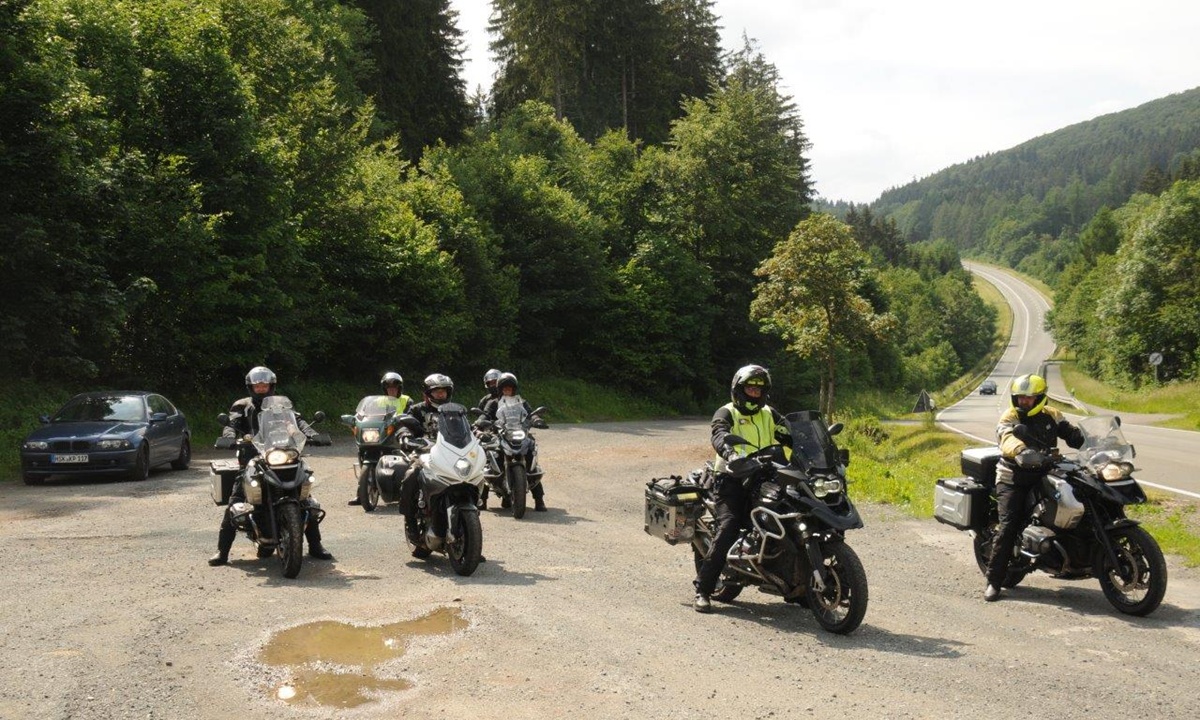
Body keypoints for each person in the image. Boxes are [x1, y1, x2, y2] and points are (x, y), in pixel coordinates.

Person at [208, 366, 334, 566]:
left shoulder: (281, 406)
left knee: (304, 497)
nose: (261, 388)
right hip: (253, 455)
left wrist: (312, 435)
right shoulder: (242, 405)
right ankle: (222, 552)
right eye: (257, 385)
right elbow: (231, 424)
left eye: (264, 385)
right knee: (236, 499)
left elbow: (298, 423)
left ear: (271, 385)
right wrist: (229, 437)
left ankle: (315, 545)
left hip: (282, 453)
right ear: (251, 387)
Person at [693, 364, 791, 613]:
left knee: (793, 516)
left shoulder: (769, 413)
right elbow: (719, 434)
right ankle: (703, 589)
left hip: (766, 477)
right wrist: (730, 452)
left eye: (759, 390)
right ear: (739, 389)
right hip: (731, 479)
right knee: (730, 526)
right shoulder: (726, 412)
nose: (754, 394)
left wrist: (811, 446)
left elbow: (791, 433)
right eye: (750, 388)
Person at [985, 373, 1084, 601]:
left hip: (1045, 472)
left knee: (1078, 501)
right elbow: (1006, 437)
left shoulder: (1052, 415)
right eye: (1020, 398)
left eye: (1029, 398)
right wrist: (1021, 451)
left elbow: (1072, 436)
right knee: (1009, 525)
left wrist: (1094, 439)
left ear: (1040, 398)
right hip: (1013, 476)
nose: (1024, 402)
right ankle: (994, 581)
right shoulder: (1010, 416)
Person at [399, 373, 456, 553]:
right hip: (424, 454)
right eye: (437, 392)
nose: (440, 395)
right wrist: (405, 436)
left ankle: (469, 539)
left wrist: (478, 434)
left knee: (473, 477)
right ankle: (411, 522)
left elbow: (467, 429)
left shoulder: (454, 410)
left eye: (443, 392)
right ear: (428, 393)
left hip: (451, 455)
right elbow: (404, 424)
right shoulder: (417, 410)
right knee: (411, 476)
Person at [477, 372, 548, 511]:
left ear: (514, 389)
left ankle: (539, 499)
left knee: (531, 456)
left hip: (518, 433)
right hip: (499, 434)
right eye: (504, 389)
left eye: (510, 388)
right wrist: (481, 422)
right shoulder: (493, 403)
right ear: (500, 389)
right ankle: (482, 500)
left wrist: (536, 420)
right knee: (488, 458)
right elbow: (484, 415)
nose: (507, 391)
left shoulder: (521, 402)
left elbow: (530, 414)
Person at [348, 372, 414, 505]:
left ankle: (410, 492)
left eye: (394, 388)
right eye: (389, 388)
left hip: (398, 434)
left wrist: (405, 421)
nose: (391, 390)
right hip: (381, 434)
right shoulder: (377, 401)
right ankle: (362, 493)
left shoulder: (407, 400)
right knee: (364, 452)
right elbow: (367, 415)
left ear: (399, 388)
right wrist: (356, 420)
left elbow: (411, 415)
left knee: (410, 458)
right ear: (385, 389)